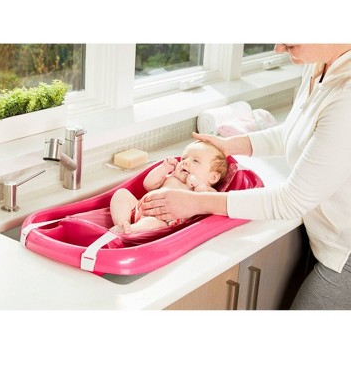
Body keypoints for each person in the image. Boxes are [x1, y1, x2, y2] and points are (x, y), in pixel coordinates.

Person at [140, 44, 351, 310]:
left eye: (290, 41)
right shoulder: (319, 63)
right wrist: (230, 145)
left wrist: (197, 202)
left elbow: (291, 201)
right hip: (327, 237)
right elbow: (296, 133)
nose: (278, 47)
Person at [110, 140, 228, 234]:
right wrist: (164, 168)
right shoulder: (172, 177)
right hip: (139, 208)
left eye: (196, 161)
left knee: (152, 223)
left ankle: (131, 230)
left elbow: (207, 204)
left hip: (162, 220)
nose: (185, 162)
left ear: (213, 177)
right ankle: (122, 223)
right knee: (121, 193)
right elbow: (148, 184)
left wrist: (199, 185)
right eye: (184, 158)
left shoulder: (207, 191)